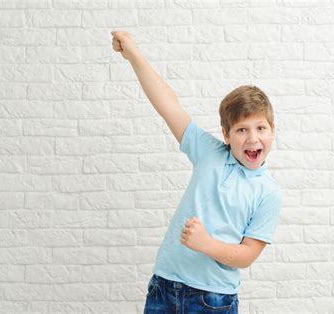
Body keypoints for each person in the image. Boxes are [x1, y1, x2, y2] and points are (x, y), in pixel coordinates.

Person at [111, 30, 282, 314]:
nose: (252, 138)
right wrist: (134, 55)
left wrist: (206, 244)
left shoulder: (268, 192)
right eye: (242, 130)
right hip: (164, 286)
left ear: (272, 131)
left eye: (260, 128)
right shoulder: (209, 153)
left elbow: (247, 255)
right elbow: (169, 106)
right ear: (226, 135)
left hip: (213, 299)